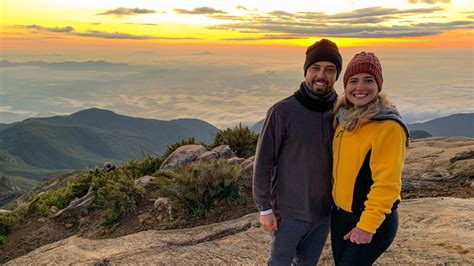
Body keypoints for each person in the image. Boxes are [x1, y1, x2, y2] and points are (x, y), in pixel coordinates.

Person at [252, 38, 342, 265]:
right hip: (289, 213)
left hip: (323, 213)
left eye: (329, 70)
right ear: (306, 71)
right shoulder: (282, 112)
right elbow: (263, 163)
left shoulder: (342, 111)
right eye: (315, 68)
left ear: (336, 75)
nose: (321, 75)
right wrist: (264, 209)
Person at [331, 52, 409, 265]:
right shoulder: (343, 118)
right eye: (353, 81)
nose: (360, 87)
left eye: (369, 80)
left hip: (371, 219)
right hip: (341, 216)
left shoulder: (388, 127)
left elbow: (387, 184)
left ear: (379, 85)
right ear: (345, 86)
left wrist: (367, 225)